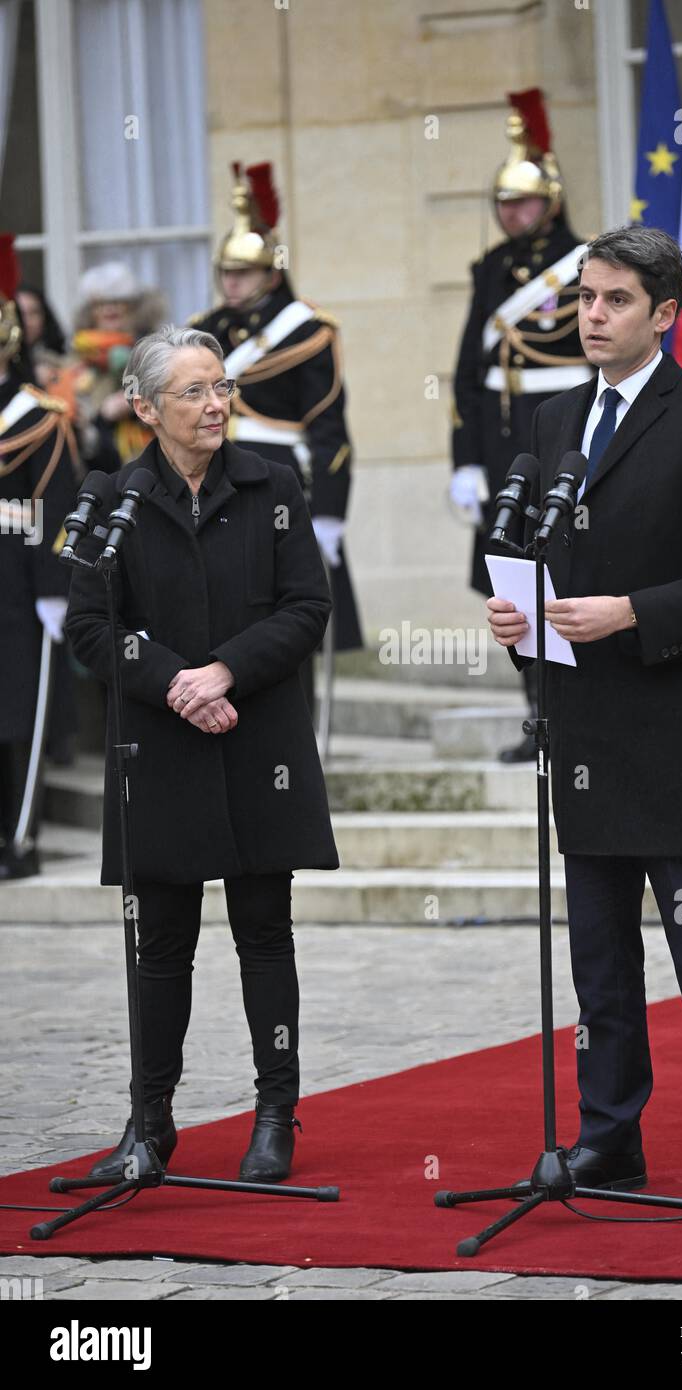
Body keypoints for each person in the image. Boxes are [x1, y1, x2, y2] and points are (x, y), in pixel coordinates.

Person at [487, 226, 682, 1207]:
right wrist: (513, 610)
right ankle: (609, 1136)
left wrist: (632, 612)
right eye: (583, 298)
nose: (591, 316)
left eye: (613, 300)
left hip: (672, 730)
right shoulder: (550, 423)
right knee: (600, 964)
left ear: (663, 313)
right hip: (580, 731)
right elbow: (533, 542)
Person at [65, 325, 339, 1183]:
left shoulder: (274, 485)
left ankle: (274, 1114)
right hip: (161, 748)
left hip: (261, 741)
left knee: (265, 933)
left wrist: (224, 672)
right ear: (146, 407)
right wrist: (178, 681)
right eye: (194, 391)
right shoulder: (112, 499)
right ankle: (150, 1124)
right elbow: (88, 628)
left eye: (221, 386)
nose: (217, 404)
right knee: (160, 948)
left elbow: (306, 608)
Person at [450, 88, 592, 761]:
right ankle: (538, 718)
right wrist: (465, 459)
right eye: (504, 203)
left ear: (552, 201)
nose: (513, 213)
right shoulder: (490, 272)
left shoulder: (583, 264)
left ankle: (579, 713)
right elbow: (466, 375)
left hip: (566, 438)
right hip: (508, 447)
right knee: (516, 581)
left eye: (525, 202)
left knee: (571, 574)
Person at [191, 162, 362, 703]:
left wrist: (331, 511)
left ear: (271, 273)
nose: (232, 282)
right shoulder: (206, 330)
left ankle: (296, 725)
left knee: (287, 608)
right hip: (211, 478)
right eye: (226, 272)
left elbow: (328, 426)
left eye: (243, 272)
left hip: (280, 483)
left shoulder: (306, 329)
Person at [0, 237, 78, 880]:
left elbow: (57, 505)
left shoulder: (38, 415)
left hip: (16, 573)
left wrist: (54, 584)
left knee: (18, 705)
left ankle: (19, 836)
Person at [67, 262, 166, 475]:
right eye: (100, 303)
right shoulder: (76, 356)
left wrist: (136, 400)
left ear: (135, 307)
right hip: (91, 464)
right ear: (90, 311)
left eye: (118, 302)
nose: (109, 309)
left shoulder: (156, 348)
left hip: (146, 457)